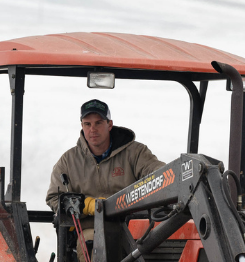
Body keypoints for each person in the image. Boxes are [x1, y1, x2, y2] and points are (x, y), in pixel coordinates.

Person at [46, 99, 165, 242]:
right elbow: (54, 198)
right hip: (90, 229)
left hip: (132, 226)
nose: (92, 129)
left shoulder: (136, 153)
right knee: (95, 243)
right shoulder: (68, 161)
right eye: (87, 124)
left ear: (109, 124)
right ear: (82, 126)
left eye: (98, 123)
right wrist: (85, 205)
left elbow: (159, 173)